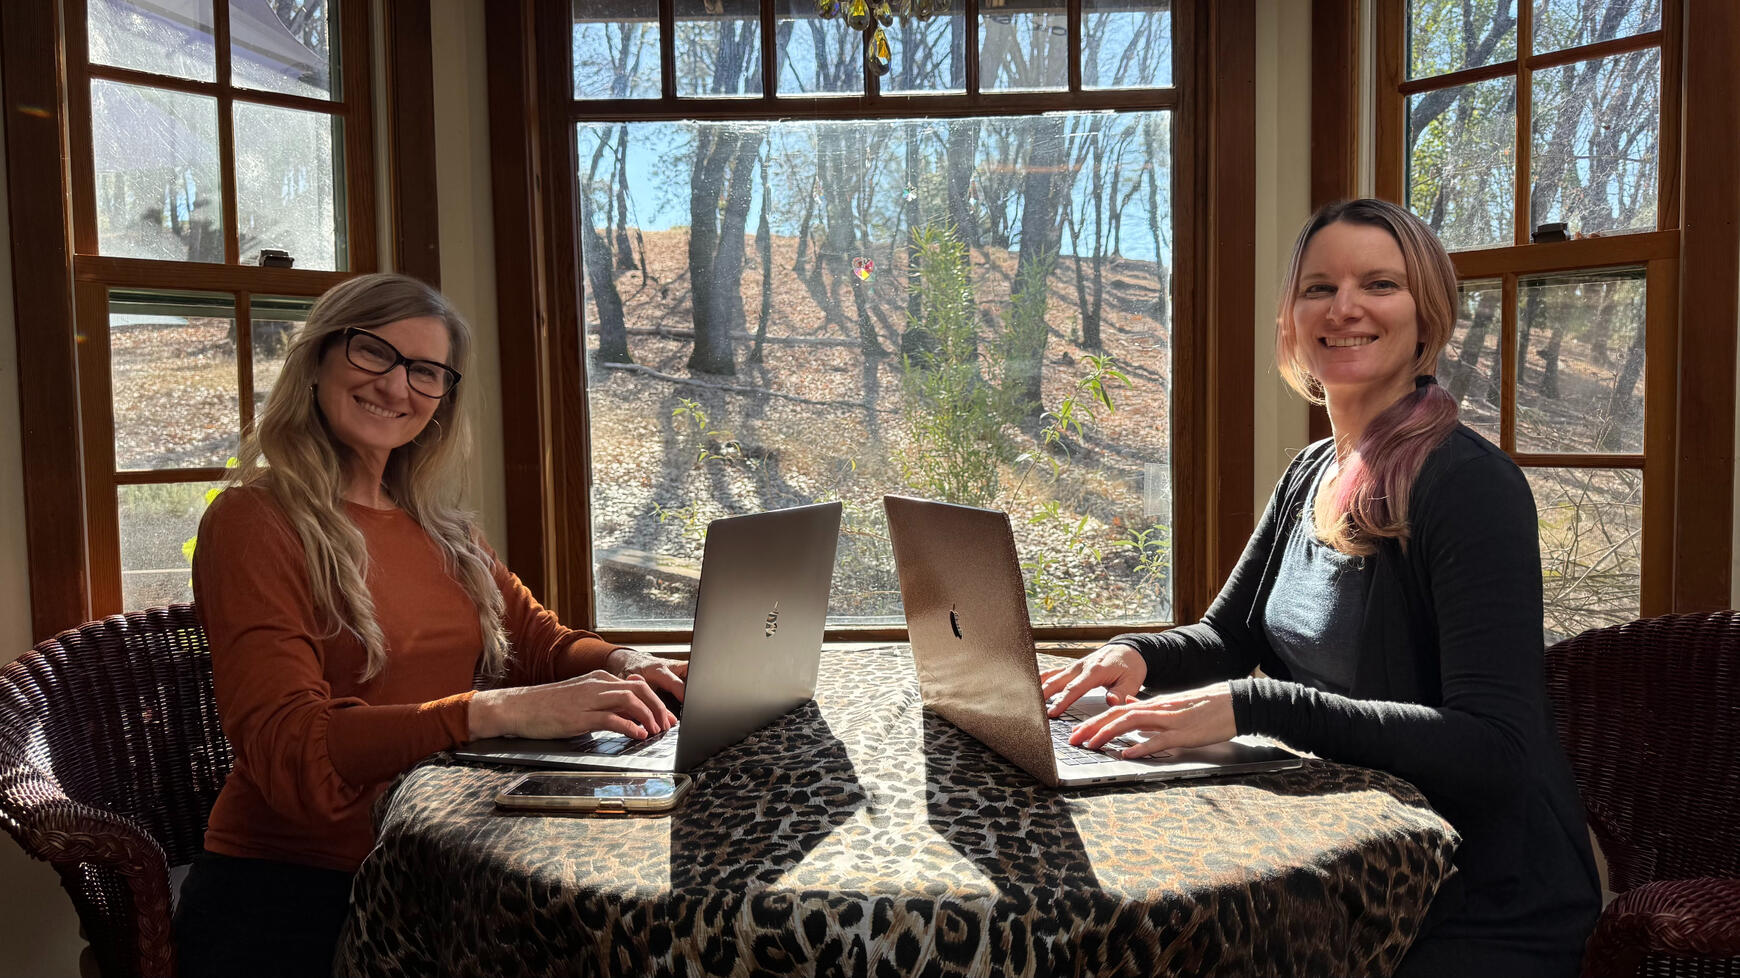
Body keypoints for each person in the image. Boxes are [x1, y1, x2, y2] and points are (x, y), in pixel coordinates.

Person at [1040, 199, 1600, 975]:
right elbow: (1227, 636)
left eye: (1379, 284)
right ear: (1292, 319)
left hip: (1473, 900)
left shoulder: (1470, 486)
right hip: (1340, 863)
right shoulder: (1310, 471)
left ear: (1427, 315)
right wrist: (1133, 655)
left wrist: (1261, 705)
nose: (1344, 308)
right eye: (1318, 288)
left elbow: (1495, 748)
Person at [172, 274, 687, 977]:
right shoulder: (253, 521)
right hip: (295, 893)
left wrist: (630, 662)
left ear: (443, 397)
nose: (395, 385)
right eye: (372, 352)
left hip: (437, 864)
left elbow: (541, 645)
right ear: (318, 359)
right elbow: (291, 749)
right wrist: (491, 711)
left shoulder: (443, 529)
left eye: (425, 370)